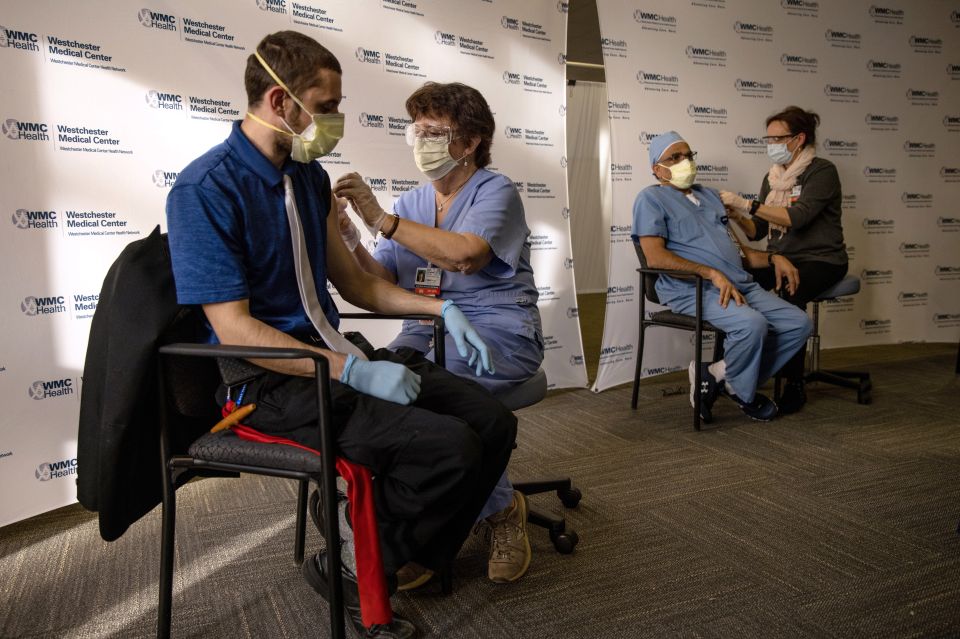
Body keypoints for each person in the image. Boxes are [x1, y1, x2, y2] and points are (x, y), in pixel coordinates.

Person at [165, 31, 517, 639]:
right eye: (325, 107)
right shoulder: (206, 191)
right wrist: (351, 370)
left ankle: (388, 547)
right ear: (280, 101)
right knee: (448, 449)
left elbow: (356, 284)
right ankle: (355, 569)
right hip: (267, 383)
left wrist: (437, 313)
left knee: (492, 423)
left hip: (334, 356)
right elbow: (234, 328)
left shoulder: (307, 177)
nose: (336, 120)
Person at [333, 82, 542, 587]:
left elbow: (464, 254)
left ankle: (499, 512)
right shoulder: (413, 201)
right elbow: (379, 282)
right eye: (417, 129)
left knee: (434, 399)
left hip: (495, 331)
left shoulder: (496, 192)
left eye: (434, 131)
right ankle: (449, 513)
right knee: (378, 391)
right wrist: (349, 240)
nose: (420, 140)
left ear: (469, 142)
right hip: (424, 329)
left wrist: (383, 220)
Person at [632, 130, 812, 423]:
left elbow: (742, 253)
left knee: (798, 323)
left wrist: (774, 257)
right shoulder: (650, 199)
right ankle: (743, 391)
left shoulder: (710, 196)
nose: (684, 162)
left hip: (738, 283)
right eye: (674, 157)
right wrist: (711, 274)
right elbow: (655, 257)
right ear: (657, 168)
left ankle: (719, 375)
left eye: (688, 155)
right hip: (692, 288)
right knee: (752, 325)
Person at [719, 106, 849, 414]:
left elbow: (798, 217)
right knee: (737, 284)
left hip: (822, 259)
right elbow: (757, 231)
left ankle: (794, 384)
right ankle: (725, 369)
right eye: (769, 138)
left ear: (799, 139)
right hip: (780, 257)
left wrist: (747, 204)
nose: (771, 144)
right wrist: (737, 214)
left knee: (792, 292)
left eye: (778, 138)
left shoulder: (822, 171)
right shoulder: (773, 178)